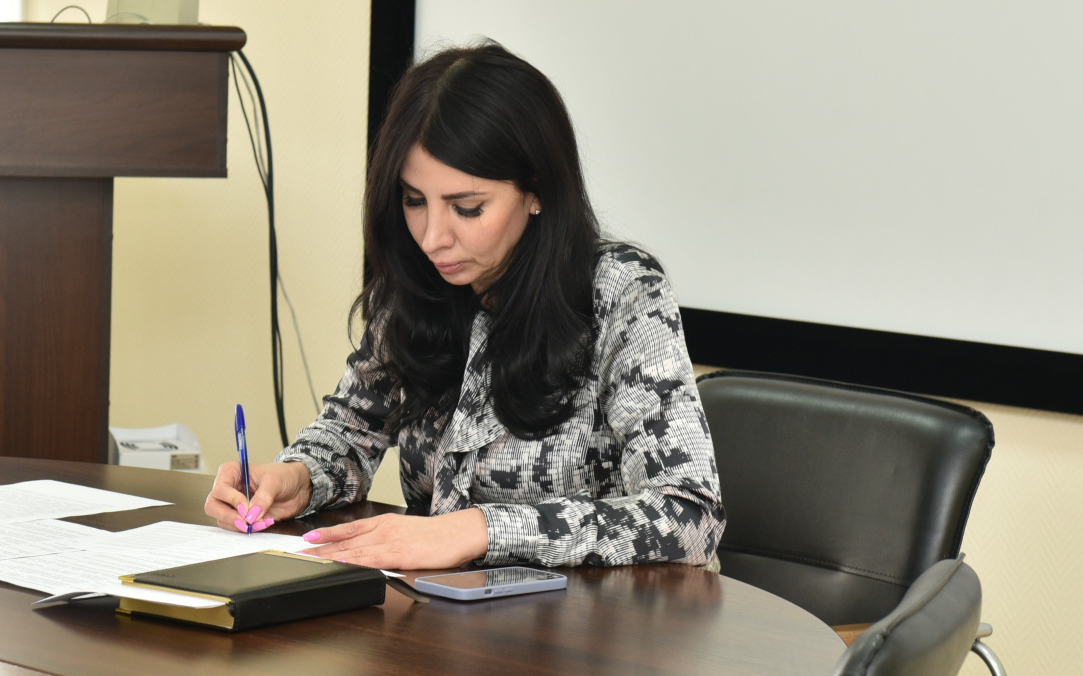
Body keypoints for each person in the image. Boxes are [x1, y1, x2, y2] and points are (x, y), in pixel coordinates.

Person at [205, 42, 726, 571]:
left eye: (467, 208)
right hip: (438, 609)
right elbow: (349, 434)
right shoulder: (421, 284)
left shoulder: (622, 291)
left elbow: (689, 516)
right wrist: (297, 477)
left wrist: (481, 529)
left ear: (537, 191)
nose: (432, 238)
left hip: (593, 617)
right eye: (414, 201)